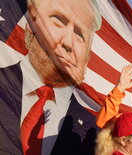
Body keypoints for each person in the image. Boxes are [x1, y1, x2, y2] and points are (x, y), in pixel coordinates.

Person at [0, 0, 102, 154]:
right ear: (30, 29)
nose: (68, 42)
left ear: (87, 60)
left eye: (79, 34)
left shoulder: (89, 129)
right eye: (58, 21)